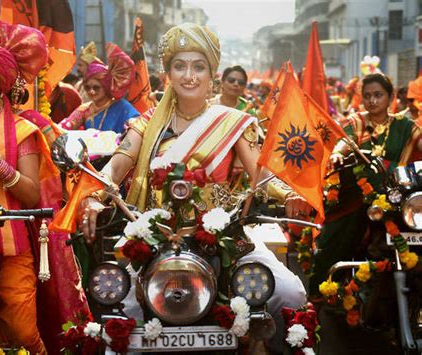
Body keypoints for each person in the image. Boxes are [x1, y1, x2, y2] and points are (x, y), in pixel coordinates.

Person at [55, 23, 309, 353]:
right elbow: (116, 167)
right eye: (180, 66)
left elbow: (261, 175)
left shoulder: (235, 122)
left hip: (225, 239)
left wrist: (290, 194)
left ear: (211, 73)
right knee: (116, 309)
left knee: (290, 292)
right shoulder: (146, 123)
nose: (189, 76)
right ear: (168, 74)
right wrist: (91, 197)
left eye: (198, 66)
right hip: (156, 242)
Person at [0, 21, 88, 353]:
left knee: (24, 334)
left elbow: (29, 193)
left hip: (9, 245)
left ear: (4, 81)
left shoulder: (22, 130)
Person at [309, 73, 422, 298]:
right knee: (336, 237)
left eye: (378, 95)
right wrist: (338, 155)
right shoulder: (356, 121)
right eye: (368, 96)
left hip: (396, 197)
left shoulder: (405, 126)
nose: (372, 101)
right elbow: (345, 142)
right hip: (357, 196)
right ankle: (319, 295)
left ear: (390, 98)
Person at [60, 43, 139, 133]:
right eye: (87, 87)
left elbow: (137, 127)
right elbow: (63, 130)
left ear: (106, 87)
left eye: (96, 88)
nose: (91, 91)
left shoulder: (122, 108)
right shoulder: (85, 109)